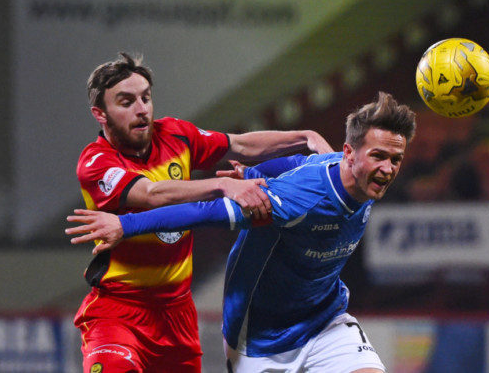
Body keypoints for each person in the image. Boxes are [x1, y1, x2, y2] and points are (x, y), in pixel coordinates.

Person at [66, 91, 417, 373]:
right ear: (349, 153)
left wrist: (253, 173)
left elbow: (298, 162)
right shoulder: (298, 200)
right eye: (378, 156)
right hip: (260, 339)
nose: (387, 169)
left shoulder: (347, 173)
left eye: (395, 160)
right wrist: (125, 225)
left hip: (325, 322)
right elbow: (205, 213)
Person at [73, 52, 333, 373]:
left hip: (177, 316)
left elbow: (241, 146)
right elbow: (152, 194)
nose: (141, 109)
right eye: (126, 102)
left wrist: (305, 138)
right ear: (101, 114)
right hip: (119, 311)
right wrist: (222, 186)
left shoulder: (175, 135)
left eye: (146, 98)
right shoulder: (95, 163)